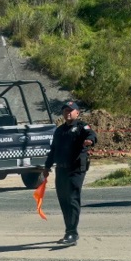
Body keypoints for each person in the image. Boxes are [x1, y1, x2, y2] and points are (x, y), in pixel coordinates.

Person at [43, 101, 98, 246]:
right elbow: (53, 149)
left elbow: (92, 134)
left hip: (76, 169)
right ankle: (69, 230)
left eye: (71, 111)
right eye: (65, 111)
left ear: (77, 113)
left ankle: (71, 233)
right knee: (64, 200)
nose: (68, 113)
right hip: (61, 169)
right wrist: (46, 167)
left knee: (72, 198)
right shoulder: (59, 130)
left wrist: (89, 141)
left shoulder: (81, 127)